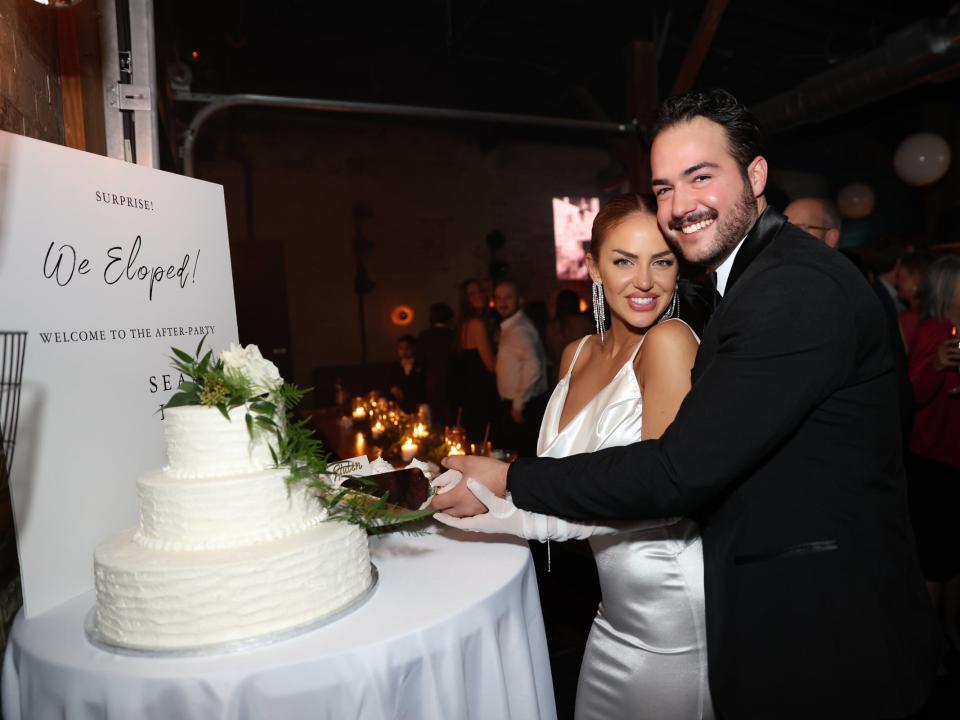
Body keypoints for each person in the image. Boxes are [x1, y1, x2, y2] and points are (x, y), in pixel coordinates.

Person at [433, 89, 939, 719]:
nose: (679, 207)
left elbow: (677, 472)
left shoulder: (791, 288)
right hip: (757, 614)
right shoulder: (755, 282)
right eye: (665, 187)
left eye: (701, 177)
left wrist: (510, 479)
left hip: (821, 631)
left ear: (756, 176)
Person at [438, 194, 710, 719]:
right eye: (624, 260)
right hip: (612, 608)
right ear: (592, 266)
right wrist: (479, 498)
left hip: (670, 609)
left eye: (663, 260)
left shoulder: (670, 342)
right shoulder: (577, 352)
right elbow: (561, 481)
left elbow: (663, 496)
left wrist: (503, 492)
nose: (645, 281)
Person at [905, 254, 960, 655]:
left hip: (955, 457)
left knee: (955, 560)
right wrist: (936, 365)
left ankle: (951, 633)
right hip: (933, 461)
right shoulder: (930, 332)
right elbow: (912, 398)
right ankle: (930, 645)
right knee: (935, 561)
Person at [493, 279, 549, 456]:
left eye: (508, 297)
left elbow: (534, 367)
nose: (502, 302)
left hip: (523, 406)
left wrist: (518, 404)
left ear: (520, 300)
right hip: (521, 403)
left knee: (521, 459)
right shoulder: (512, 326)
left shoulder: (519, 329)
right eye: (498, 297)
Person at [450, 279, 498, 441]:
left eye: (480, 291)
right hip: (480, 390)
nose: (478, 296)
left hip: (470, 390)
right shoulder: (477, 324)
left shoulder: (464, 323)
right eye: (472, 294)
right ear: (466, 299)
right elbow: (491, 365)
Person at [417, 302, 457, 429]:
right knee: (452, 417)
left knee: (436, 418)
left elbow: (420, 362)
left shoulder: (424, 336)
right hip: (452, 381)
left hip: (432, 381)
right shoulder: (454, 335)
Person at [545, 289, 593, 386]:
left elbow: (550, 355)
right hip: (582, 374)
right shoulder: (584, 323)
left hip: (559, 375)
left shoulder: (552, 326)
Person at [895, 252, 933, 348]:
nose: (896, 282)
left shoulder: (908, 319)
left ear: (916, 278)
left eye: (899, 276)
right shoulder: (942, 313)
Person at [385, 334, 426, 413]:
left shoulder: (420, 365)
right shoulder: (395, 366)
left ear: (413, 349)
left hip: (417, 404)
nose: (404, 351)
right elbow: (389, 384)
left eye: (407, 348)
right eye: (401, 348)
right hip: (399, 405)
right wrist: (393, 390)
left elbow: (422, 387)